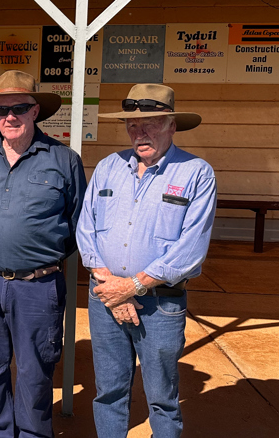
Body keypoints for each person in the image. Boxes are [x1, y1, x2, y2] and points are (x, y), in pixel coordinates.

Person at [76, 83, 216, 438]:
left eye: (151, 123)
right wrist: (108, 282)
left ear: (172, 124)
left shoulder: (196, 173)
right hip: (105, 297)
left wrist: (132, 287)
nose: (140, 132)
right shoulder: (109, 167)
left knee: (162, 398)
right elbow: (86, 228)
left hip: (160, 305)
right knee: (108, 392)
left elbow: (190, 248)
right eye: (133, 125)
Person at [0, 70, 86, 438]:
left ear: (36, 111)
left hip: (38, 285)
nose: (10, 117)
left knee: (35, 371)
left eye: (19, 108)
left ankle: (33, 434)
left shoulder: (64, 160)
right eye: (2, 110)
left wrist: (37, 258)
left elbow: (78, 224)